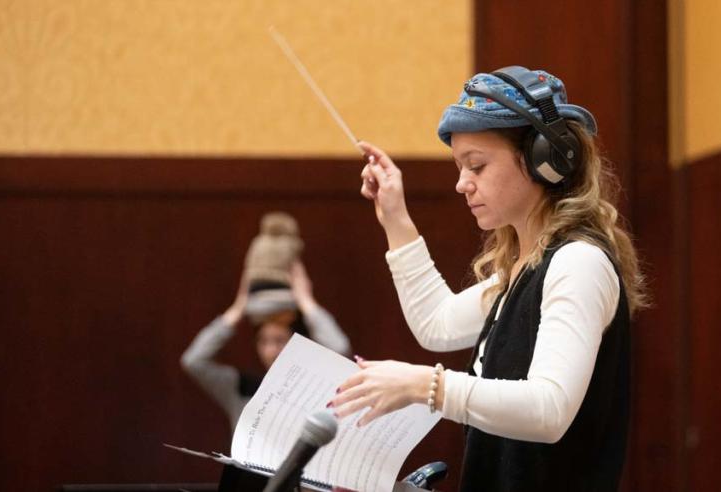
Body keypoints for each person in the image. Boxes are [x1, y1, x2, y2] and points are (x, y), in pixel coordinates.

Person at [328, 67, 648, 491]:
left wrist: (425, 385)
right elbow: (436, 324)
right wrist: (395, 217)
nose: (462, 184)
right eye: (460, 167)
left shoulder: (578, 264)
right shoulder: (524, 268)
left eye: (476, 165)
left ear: (544, 161)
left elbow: (548, 409)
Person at [181, 213, 351, 430]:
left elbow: (340, 348)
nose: (272, 350)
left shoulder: (313, 388)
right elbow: (193, 361)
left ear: (297, 340)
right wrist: (238, 308)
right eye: (264, 341)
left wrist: (307, 302)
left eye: (280, 340)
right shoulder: (241, 388)